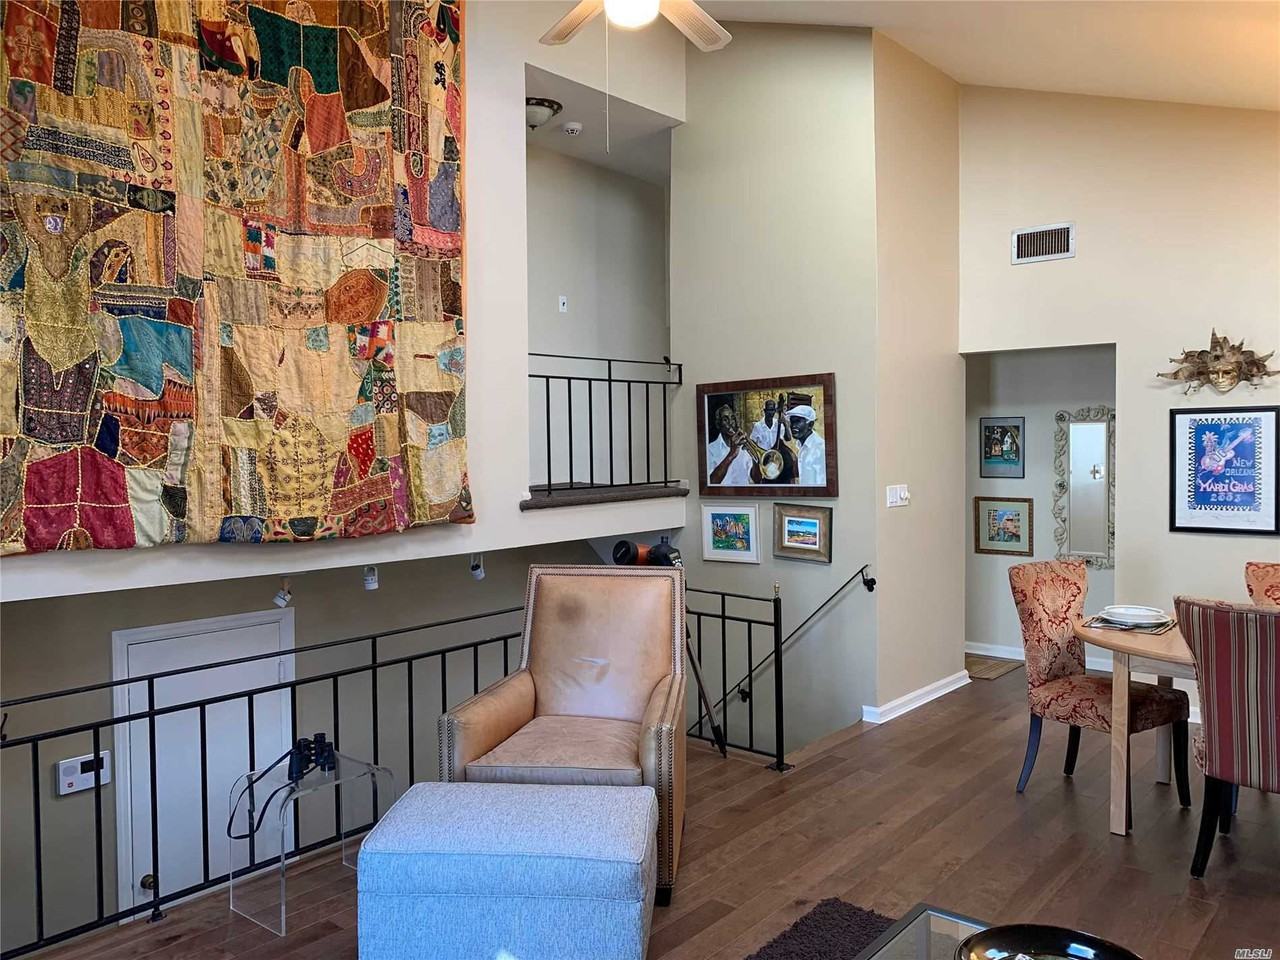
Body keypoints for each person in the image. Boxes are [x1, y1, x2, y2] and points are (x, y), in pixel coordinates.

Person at [707, 403, 753, 485]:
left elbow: (755, 479)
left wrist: (755, 458)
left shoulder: (744, 446)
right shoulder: (710, 449)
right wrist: (731, 455)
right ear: (718, 424)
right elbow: (711, 482)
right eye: (725, 419)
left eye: (732, 418)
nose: (730, 423)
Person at [788, 405, 826, 485]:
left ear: (810, 425)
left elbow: (822, 484)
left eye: (798, 421)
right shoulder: (801, 446)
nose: (793, 426)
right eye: (792, 421)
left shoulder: (820, 448)